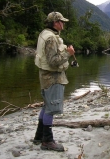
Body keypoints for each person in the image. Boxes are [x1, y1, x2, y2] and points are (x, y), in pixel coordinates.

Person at [33, 12, 75, 151]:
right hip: (52, 77)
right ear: (55, 23)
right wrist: (68, 53)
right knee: (51, 109)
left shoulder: (44, 34)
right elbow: (53, 62)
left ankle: (39, 137)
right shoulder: (51, 38)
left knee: (46, 106)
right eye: (61, 21)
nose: (63, 24)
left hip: (45, 76)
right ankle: (47, 141)